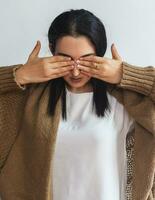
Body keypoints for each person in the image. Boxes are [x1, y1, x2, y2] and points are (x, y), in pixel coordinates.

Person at [0, 9, 154, 200]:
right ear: (52, 50)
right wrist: (20, 74)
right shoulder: (30, 96)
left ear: (100, 53)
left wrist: (127, 74)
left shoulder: (124, 99)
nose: (75, 72)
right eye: (65, 59)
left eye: (85, 60)